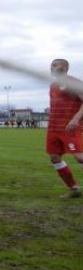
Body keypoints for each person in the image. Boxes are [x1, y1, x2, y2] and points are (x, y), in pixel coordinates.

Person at [46, 58, 83, 199]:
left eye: (56, 64)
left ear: (66, 68)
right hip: (54, 128)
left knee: (80, 157)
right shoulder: (53, 85)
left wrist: (76, 118)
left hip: (70, 127)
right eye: (51, 65)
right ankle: (74, 189)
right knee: (55, 158)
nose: (52, 67)